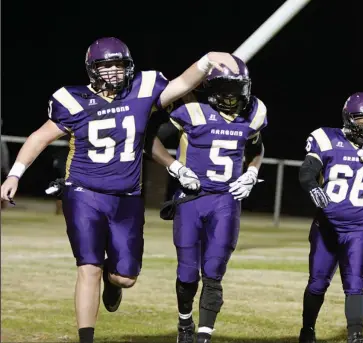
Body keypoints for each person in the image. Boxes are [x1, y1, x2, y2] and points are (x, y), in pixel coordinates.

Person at [0, 37, 238, 343]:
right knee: (89, 266)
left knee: (124, 277)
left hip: (127, 196)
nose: (113, 71)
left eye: (118, 64)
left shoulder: (143, 89)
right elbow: (39, 137)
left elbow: (181, 84)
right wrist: (15, 174)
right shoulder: (72, 100)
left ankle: (112, 284)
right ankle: (86, 337)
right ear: (92, 69)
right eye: (106, 65)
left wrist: (207, 60)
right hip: (83, 191)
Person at [150, 55, 267, 343]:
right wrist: (174, 166)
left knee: (214, 271)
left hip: (225, 200)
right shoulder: (190, 111)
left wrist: (251, 173)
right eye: (226, 89)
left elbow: (257, 148)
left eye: (238, 88)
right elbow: (148, 140)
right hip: (191, 198)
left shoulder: (254, 113)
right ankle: (185, 323)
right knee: (188, 272)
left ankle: (204, 335)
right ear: (212, 89)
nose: (234, 97)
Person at [297, 92, 363, 343]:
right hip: (326, 225)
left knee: (355, 284)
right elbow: (307, 171)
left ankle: (356, 335)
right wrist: (312, 187)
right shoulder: (326, 137)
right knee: (317, 282)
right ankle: (307, 330)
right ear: (349, 118)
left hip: (361, 228)